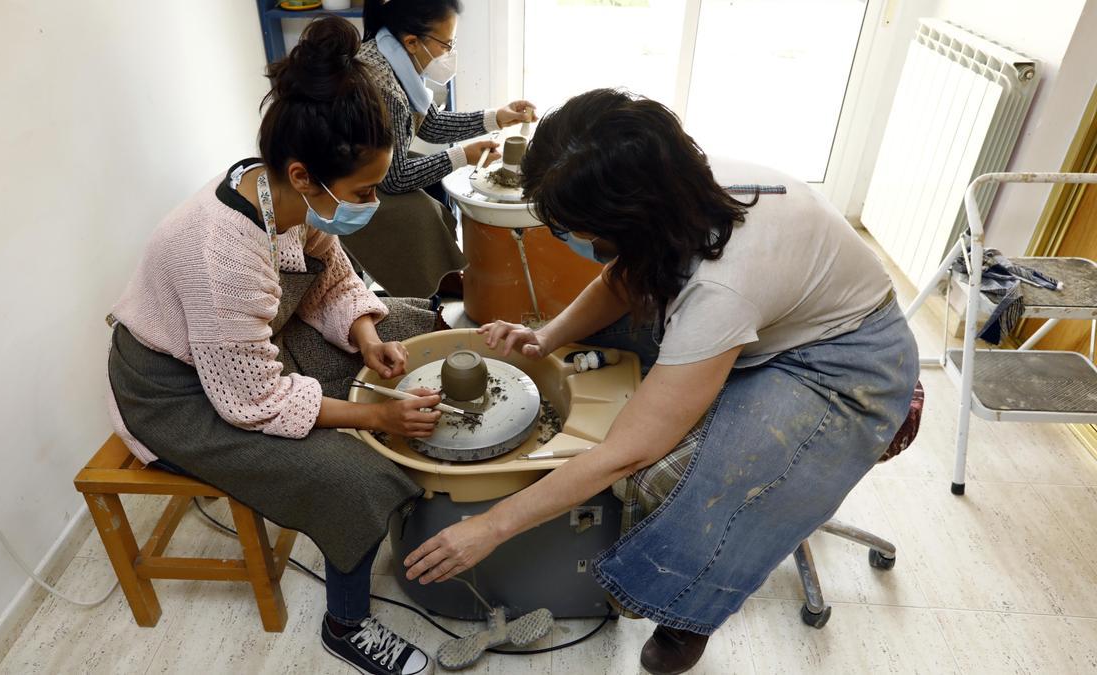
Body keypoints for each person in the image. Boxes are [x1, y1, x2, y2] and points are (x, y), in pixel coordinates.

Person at [401, 89, 919, 675]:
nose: (573, 240)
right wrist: (549, 339)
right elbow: (626, 274)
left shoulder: (723, 285)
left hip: (844, 364)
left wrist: (492, 525)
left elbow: (631, 449)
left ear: (630, 221)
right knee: (618, 358)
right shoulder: (679, 187)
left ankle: (686, 613)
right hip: (774, 315)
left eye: (579, 230)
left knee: (683, 481)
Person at [105, 17, 439, 675]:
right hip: (178, 391)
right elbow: (251, 400)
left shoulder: (283, 195)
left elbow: (332, 272)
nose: (370, 203)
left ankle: (388, 425)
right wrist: (372, 415)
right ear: (304, 175)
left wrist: (367, 336)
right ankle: (346, 623)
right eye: (364, 192)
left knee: (412, 325)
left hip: (248, 344)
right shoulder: (222, 252)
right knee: (353, 473)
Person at [342, 0, 538, 298]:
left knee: (437, 182)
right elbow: (394, 180)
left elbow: (431, 124)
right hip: (347, 181)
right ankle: (424, 291)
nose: (449, 53)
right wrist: (463, 156)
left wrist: (497, 117)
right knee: (424, 212)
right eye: (446, 44)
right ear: (412, 42)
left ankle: (442, 274)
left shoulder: (392, 55)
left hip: (367, 163)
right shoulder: (382, 85)